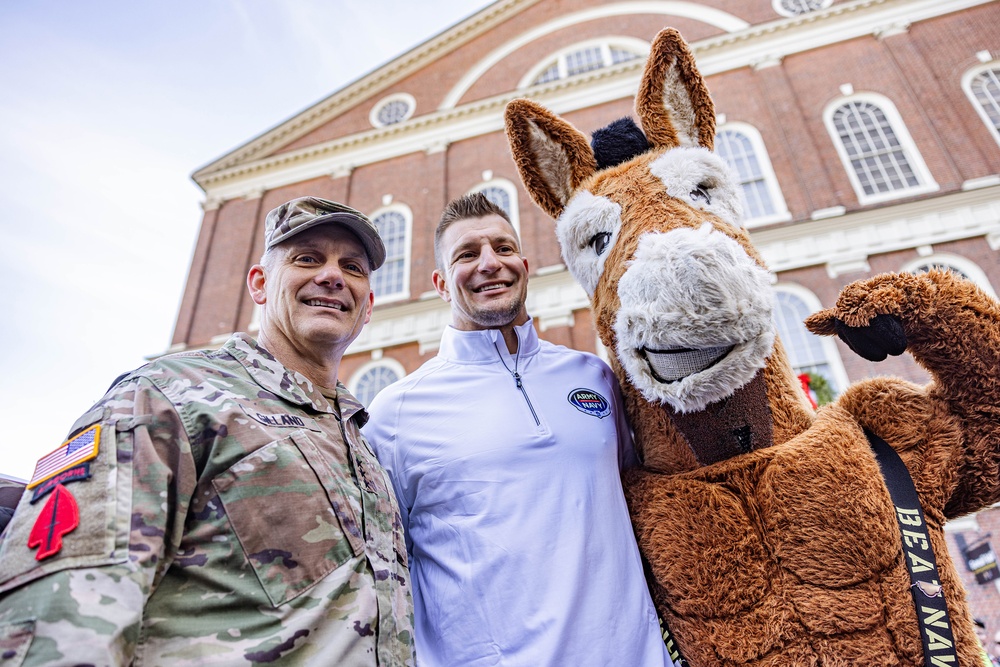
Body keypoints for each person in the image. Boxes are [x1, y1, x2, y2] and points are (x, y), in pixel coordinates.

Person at [0, 197, 415, 666]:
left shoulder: (363, 447)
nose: (333, 275)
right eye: (307, 259)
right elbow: (61, 606)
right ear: (259, 285)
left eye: (353, 267)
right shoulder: (166, 396)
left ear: (368, 306)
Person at [364, 192, 674, 666]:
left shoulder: (594, 377)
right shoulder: (394, 413)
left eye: (503, 249)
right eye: (467, 254)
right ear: (441, 284)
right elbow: (382, 569)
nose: (490, 263)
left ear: (524, 266)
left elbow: (644, 502)